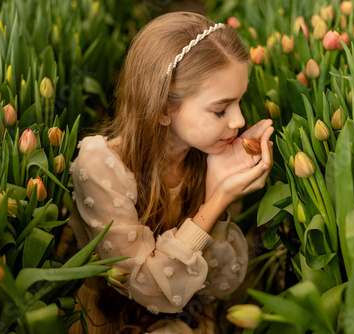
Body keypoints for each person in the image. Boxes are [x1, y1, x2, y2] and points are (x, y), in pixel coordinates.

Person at [68, 11, 274, 334]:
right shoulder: (99, 167)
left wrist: (219, 195)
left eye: (239, 103)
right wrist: (215, 201)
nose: (238, 121)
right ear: (163, 109)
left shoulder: (204, 159)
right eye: (221, 109)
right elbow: (148, 287)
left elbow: (221, 284)